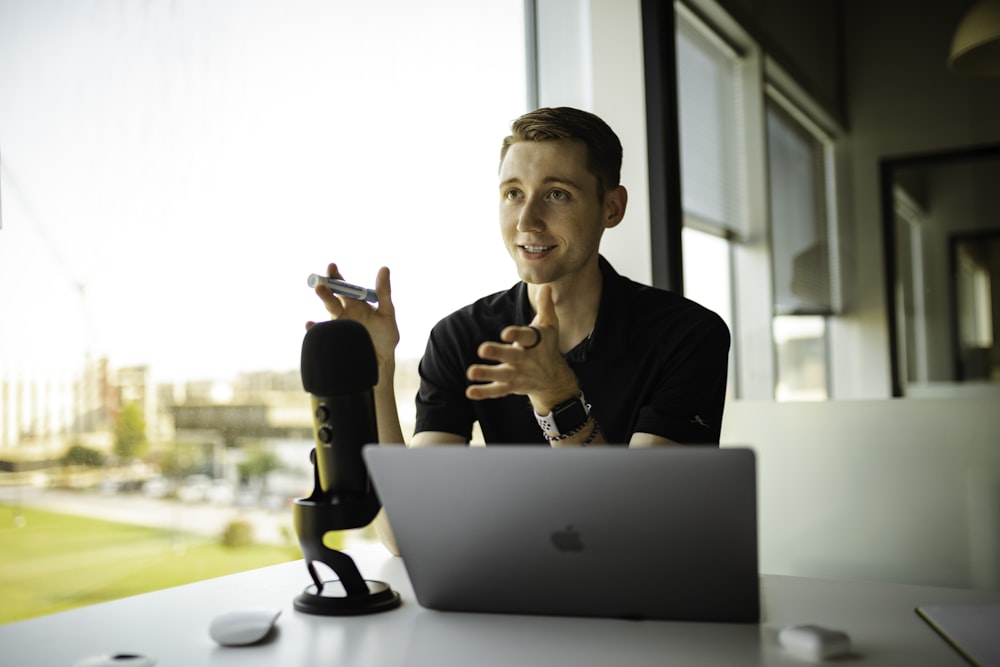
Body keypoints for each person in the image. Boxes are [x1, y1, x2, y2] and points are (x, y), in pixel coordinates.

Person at [311, 107, 730, 551]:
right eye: (513, 193)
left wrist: (558, 398)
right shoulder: (460, 336)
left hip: (636, 606)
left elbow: (639, 530)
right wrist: (375, 372)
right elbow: (407, 533)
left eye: (557, 194)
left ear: (612, 207)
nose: (526, 220)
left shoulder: (690, 336)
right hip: (504, 595)